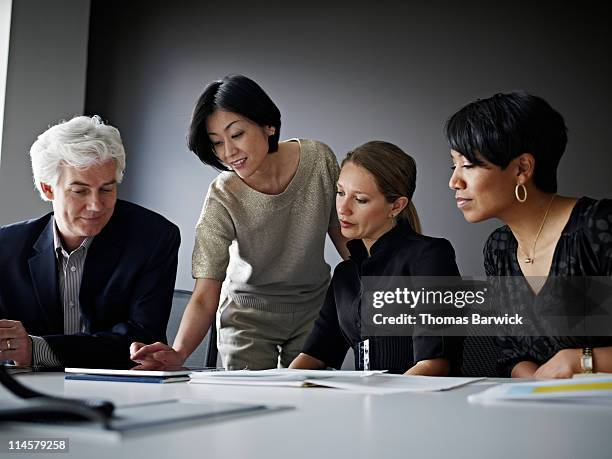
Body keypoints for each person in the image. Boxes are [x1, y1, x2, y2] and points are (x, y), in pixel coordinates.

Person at [131, 74, 348, 370]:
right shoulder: (223, 195)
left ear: (268, 125)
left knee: (311, 402)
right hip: (247, 318)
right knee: (251, 404)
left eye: (237, 135)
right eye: (217, 143)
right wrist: (179, 353)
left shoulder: (318, 160)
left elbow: (345, 237)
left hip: (314, 310)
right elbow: (206, 292)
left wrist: (382, 290)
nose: (228, 152)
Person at [446, 91, 612, 378]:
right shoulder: (499, 248)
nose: (454, 181)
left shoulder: (599, 227)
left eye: (468, 166)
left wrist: (581, 362)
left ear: (522, 168)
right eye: (454, 165)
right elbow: (512, 355)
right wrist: (533, 383)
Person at [0, 116, 180, 368]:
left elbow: (142, 340)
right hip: (26, 393)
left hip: (118, 391)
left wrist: (36, 349)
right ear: (48, 188)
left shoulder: (153, 237)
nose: (96, 205)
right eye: (80, 191)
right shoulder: (5, 247)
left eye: (107, 189)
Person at [290, 141, 463, 375]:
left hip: (420, 402)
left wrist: (383, 403)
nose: (343, 208)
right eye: (340, 193)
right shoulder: (345, 273)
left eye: (360, 199)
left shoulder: (430, 256)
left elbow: (434, 364)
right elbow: (315, 355)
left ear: (397, 205)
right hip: (367, 401)